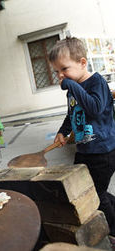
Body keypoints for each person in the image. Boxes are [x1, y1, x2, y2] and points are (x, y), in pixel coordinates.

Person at [49, 37, 115, 242]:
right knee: (85, 189)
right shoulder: (73, 89)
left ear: (82, 63)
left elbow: (94, 108)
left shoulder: (97, 82)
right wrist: (63, 131)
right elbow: (72, 113)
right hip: (84, 151)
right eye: (57, 72)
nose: (61, 76)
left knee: (95, 195)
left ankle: (113, 231)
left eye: (64, 69)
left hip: (103, 152)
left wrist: (71, 84)